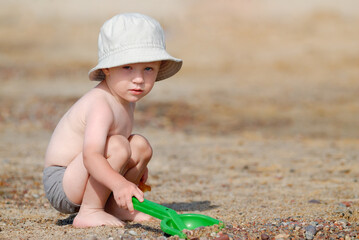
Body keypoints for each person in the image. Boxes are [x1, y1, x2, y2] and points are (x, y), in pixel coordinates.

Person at [43, 13, 182, 228]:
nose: (139, 79)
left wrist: (134, 169)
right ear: (107, 69)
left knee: (140, 145)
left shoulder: (125, 97)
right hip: (62, 182)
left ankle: (117, 207)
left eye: (148, 69)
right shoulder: (101, 104)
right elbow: (91, 156)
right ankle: (90, 210)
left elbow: (124, 146)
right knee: (118, 145)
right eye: (127, 67)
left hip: (85, 173)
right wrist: (119, 183)